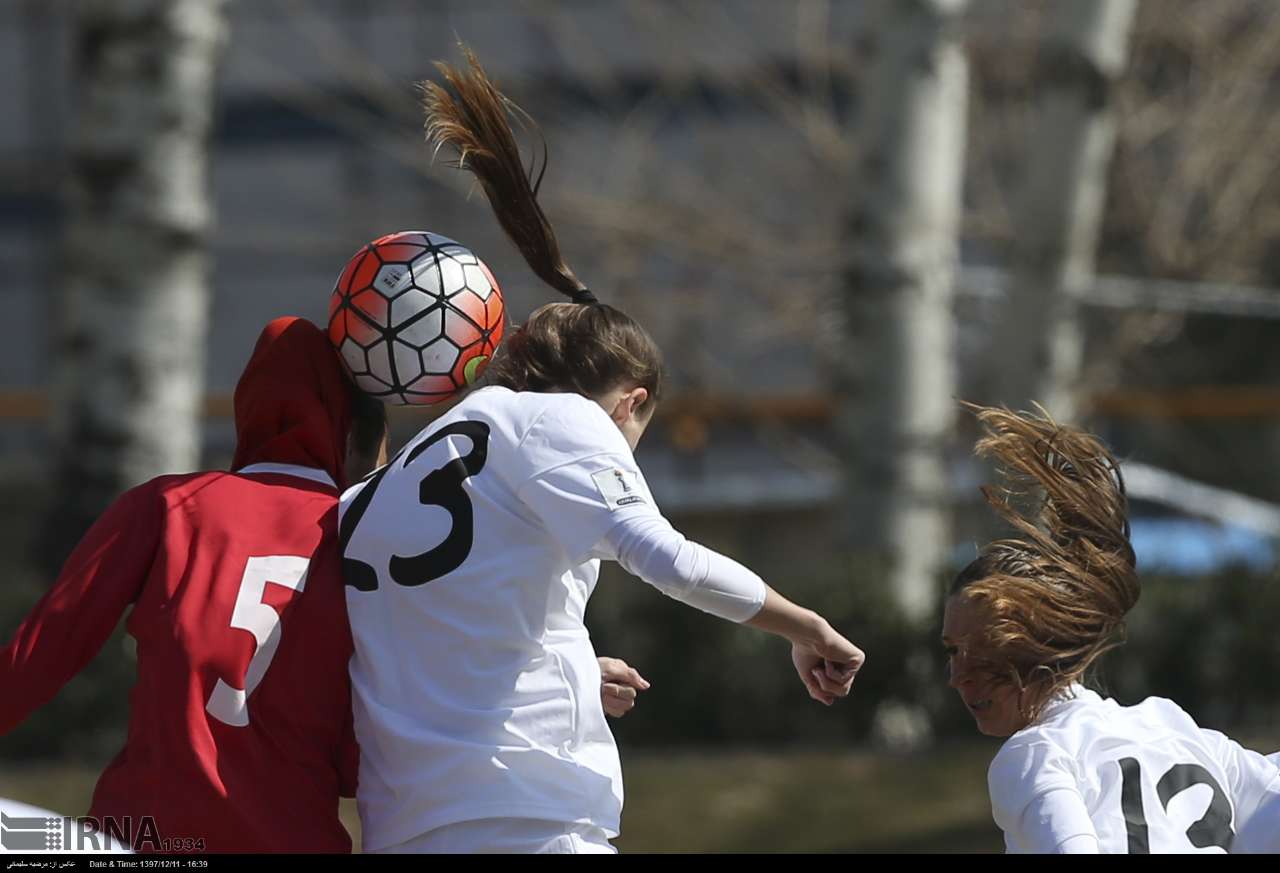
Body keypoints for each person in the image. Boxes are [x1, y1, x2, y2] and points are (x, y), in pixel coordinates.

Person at [337, 49, 865, 855]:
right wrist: (803, 625)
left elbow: (449, 634)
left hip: (406, 825)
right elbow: (669, 558)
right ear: (633, 402)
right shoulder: (562, 420)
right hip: (532, 817)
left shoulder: (383, 485)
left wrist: (576, 669)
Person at [942, 404, 1280, 854]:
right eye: (953, 651)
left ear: (1041, 644)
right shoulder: (1176, 730)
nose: (958, 676)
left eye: (982, 652)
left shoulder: (1036, 755)